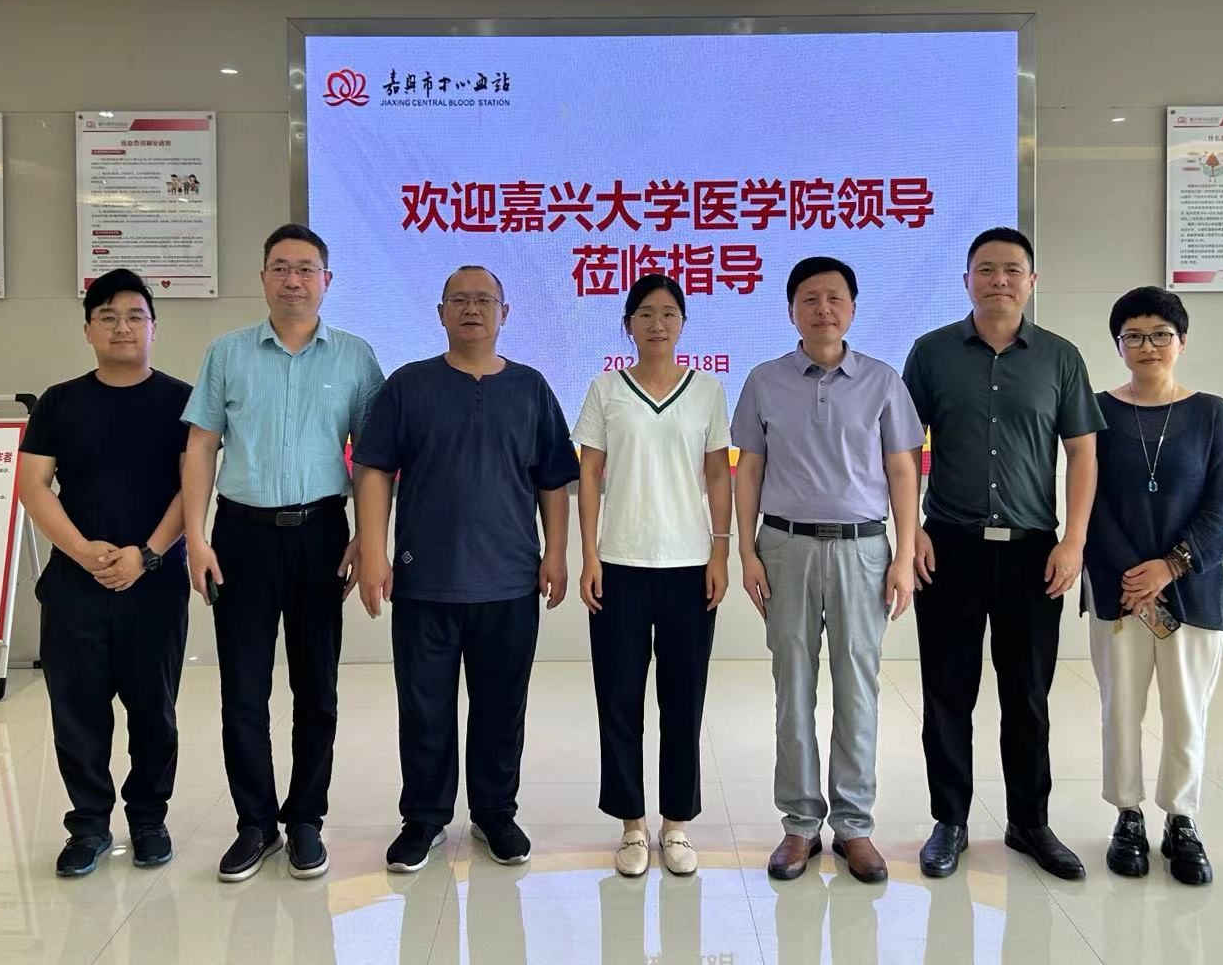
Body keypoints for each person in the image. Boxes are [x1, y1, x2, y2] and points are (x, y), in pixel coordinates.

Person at [353, 266, 580, 874]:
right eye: (459, 299)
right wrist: (372, 550)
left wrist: (556, 552)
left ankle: (494, 813)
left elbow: (553, 479)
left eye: (484, 300)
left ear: (505, 313)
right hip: (424, 579)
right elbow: (374, 469)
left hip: (509, 581)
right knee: (423, 707)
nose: (472, 309)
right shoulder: (409, 385)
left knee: (502, 706)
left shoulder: (531, 388)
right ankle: (424, 818)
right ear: (441, 312)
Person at [181, 224, 384, 883]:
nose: (293, 280)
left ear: (327, 280)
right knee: (243, 686)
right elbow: (201, 445)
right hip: (241, 536)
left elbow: (373, 457)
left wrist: (367, 535)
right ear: (263, 277)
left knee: (316, 686)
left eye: (305, 268)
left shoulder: (355, 357)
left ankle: (305, 819)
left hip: (322, 533)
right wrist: (195, 536)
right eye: (280, 268)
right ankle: (255, 823)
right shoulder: (228, 352)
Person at [902, 227, 1104, 881]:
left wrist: (1074, 541)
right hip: (948, 547)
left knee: (1027, 695)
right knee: (947, 694)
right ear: (966, 280)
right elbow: (901, 450)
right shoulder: (931, 353)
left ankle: (1030, 822)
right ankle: (950, 821)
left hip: (1032, 553)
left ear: (1031, 281)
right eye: (986, 269)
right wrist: (911, 532)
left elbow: (1082, 454)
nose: (999, 280)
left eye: (1012, 270)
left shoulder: (1060, 358)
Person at [733, 256, 921, 885]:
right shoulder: (764, 380)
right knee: (792, 686)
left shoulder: (883, 381)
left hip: (864, 550)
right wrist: (746, 550)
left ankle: (855, 826)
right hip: (785, 546)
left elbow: (902, 470)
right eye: (809, 298)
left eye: (835, 297)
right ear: (791, 310)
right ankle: (799, 824)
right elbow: (749, 469)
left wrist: (903, 554)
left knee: (857, 688)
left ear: (853, 308)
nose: (823, 309)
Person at [17, 268, 192, 879]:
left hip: (156, 584)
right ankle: (89, 825)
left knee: (154, 711)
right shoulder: (59, 401)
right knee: (78, 711)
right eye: (108, 317)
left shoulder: (182, 402)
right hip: (75, 586)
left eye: (135, 316)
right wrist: (81, 551)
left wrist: (147, 554)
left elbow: (194, 488)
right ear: (88, 329)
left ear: (153, 328)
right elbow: (33, 486)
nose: (122, 327)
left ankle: (148, 819)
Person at [574, 275, 733, 877]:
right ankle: (631, 825)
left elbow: (717, 475)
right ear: (628, 325)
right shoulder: (606, 389)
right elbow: (590, 475)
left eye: (669, 313)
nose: (658, 323)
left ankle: (677, 824)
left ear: (683, 323)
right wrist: (589, 554)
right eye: (645, 313)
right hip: (620, 564)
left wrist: (720, 552)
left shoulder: (707, 390)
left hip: (689, 566)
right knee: (618, 698)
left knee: (683, 699)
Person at [1086, 286, 1223, 885]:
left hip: (1193, 591)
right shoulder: (1097, 411)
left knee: (1186, 711)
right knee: (1119, 709)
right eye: (1133, 336)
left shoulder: (1211, 413)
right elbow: (1088, 503)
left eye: (1160, 335)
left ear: (1181, 342)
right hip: (1120, 592)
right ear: (1118, 345)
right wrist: (1135, 576)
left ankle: (1181, 818)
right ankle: (1127, 815)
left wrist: (1170, 567)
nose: (1147, 346)